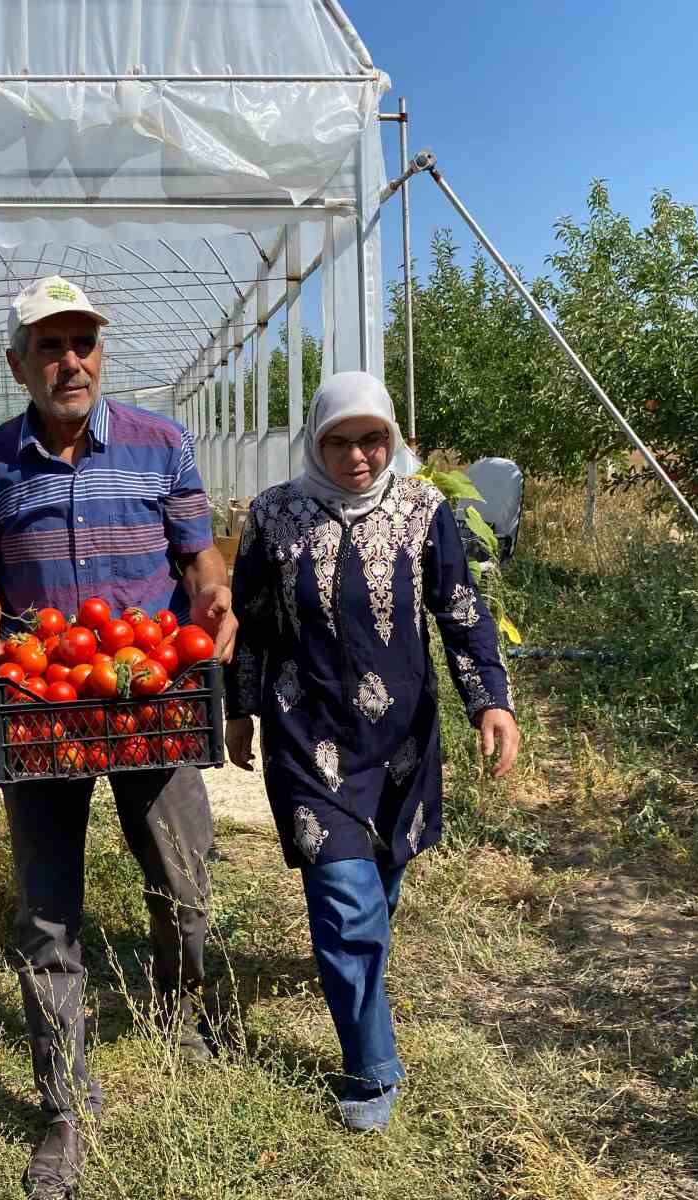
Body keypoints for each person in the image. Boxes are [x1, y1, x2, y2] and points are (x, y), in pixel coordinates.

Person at [0, 275, 236, 1199]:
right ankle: (64, 1106)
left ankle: (183, 1020)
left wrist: (215, 597)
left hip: (149, 691)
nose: (69, 361)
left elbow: (199, 555)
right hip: (47, 707)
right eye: (49, 346)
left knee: (184, 880)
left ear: (100, 354)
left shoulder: (162, 446)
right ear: (18, 365)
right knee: (46, 912)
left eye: (83, 344)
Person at [223, 371, 520, 1133]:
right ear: (315, 442)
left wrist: (489, 700)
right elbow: (253, 623)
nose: (357, 455)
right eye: (339, 440)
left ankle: (360, 970)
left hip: (399, 743)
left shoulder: (423, 511)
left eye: (372, 438)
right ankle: (371, 1066)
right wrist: (241, 711)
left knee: (379, 885)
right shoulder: (273, 516)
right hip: (306, 732)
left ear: (391, 438)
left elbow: (458, 610)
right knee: (346, 900)